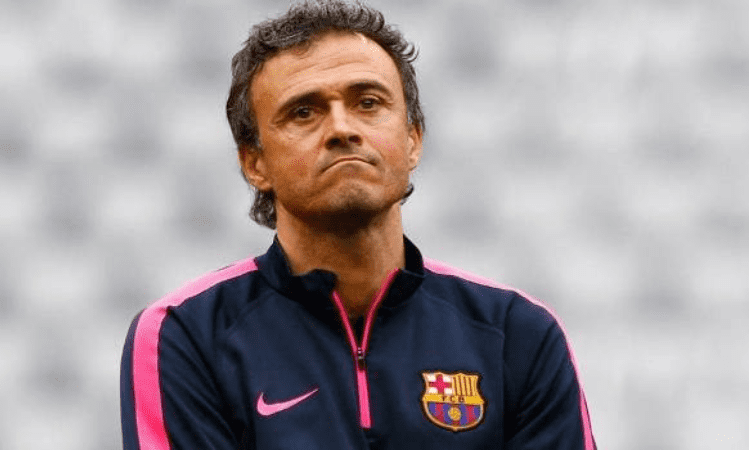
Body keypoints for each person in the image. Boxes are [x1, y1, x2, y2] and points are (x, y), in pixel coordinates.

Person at [120, 1, 597, 448]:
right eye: (304, 112)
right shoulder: (185, 336)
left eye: (368, 103)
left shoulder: (517, 334)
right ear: (254, 163)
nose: (342, 129)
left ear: (412, 140)